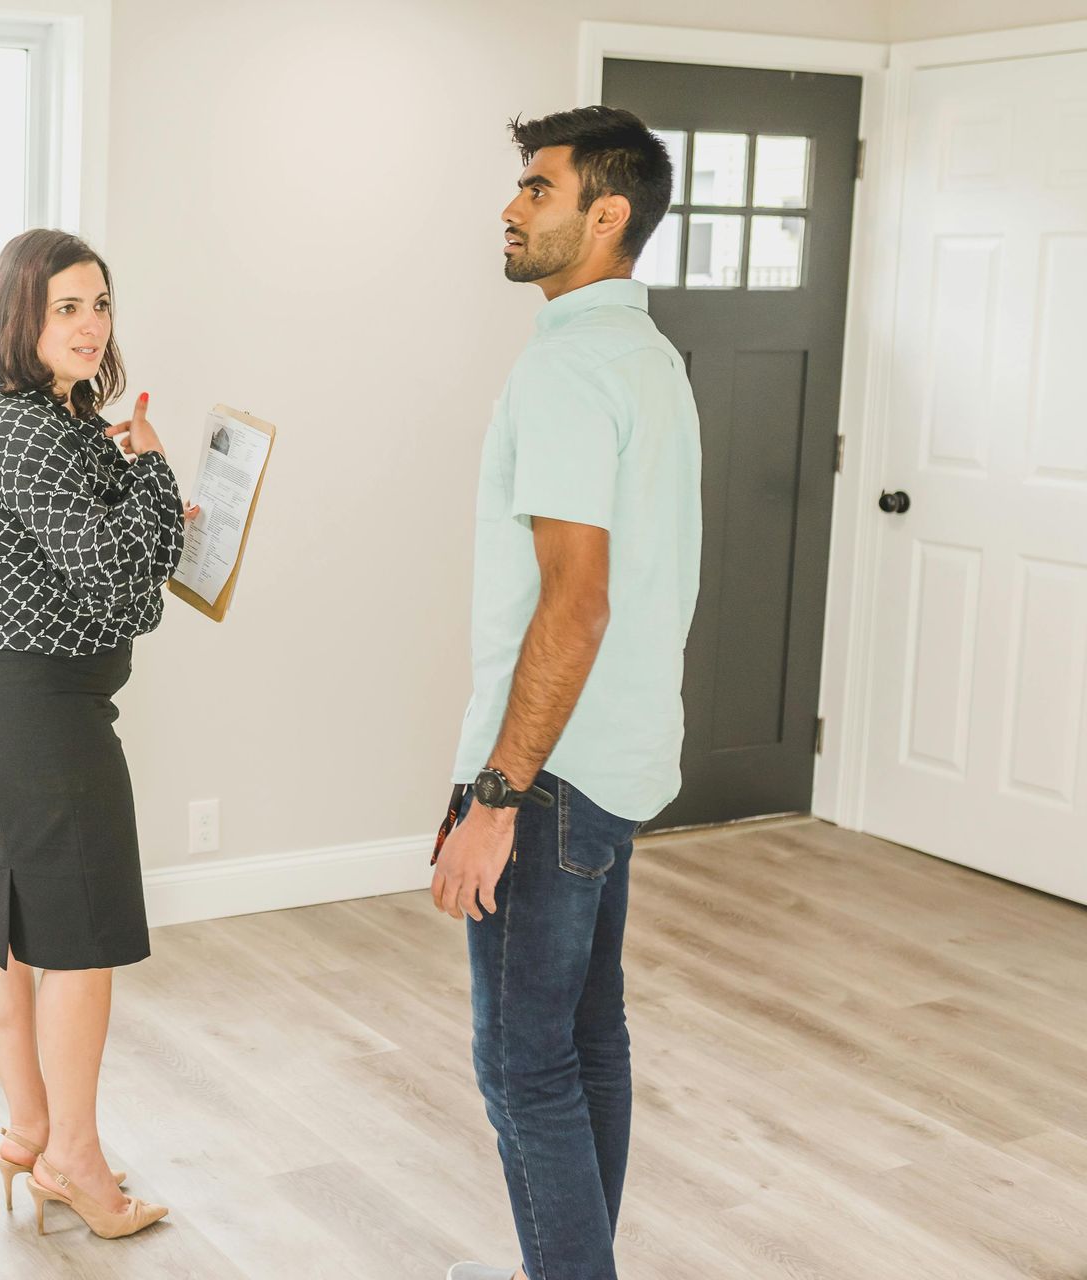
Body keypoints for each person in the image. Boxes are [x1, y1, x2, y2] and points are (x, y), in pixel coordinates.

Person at [433, 108, 700, 1280]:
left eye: (536, 189)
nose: (510, 206)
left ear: (607, 214)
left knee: (521, 1066)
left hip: (547, 774)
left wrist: (495, 793)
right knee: (590, 1042)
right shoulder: (650, 357)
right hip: (620, 758)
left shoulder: (567, 366)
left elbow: (574, 601)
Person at [0, 228, 196, 1241]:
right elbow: (124, 588)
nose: (91, 326)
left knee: (5, 920)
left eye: (100, 304)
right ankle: (76, 1161)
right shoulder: (25, 428)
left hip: (18, 702)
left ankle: (32, 1130)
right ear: (22, 316)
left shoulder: (53, 420)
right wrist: (154, 477)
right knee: (78, 941)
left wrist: (141, 505)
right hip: (44, 710)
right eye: (67, 308)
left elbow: (121, 559)